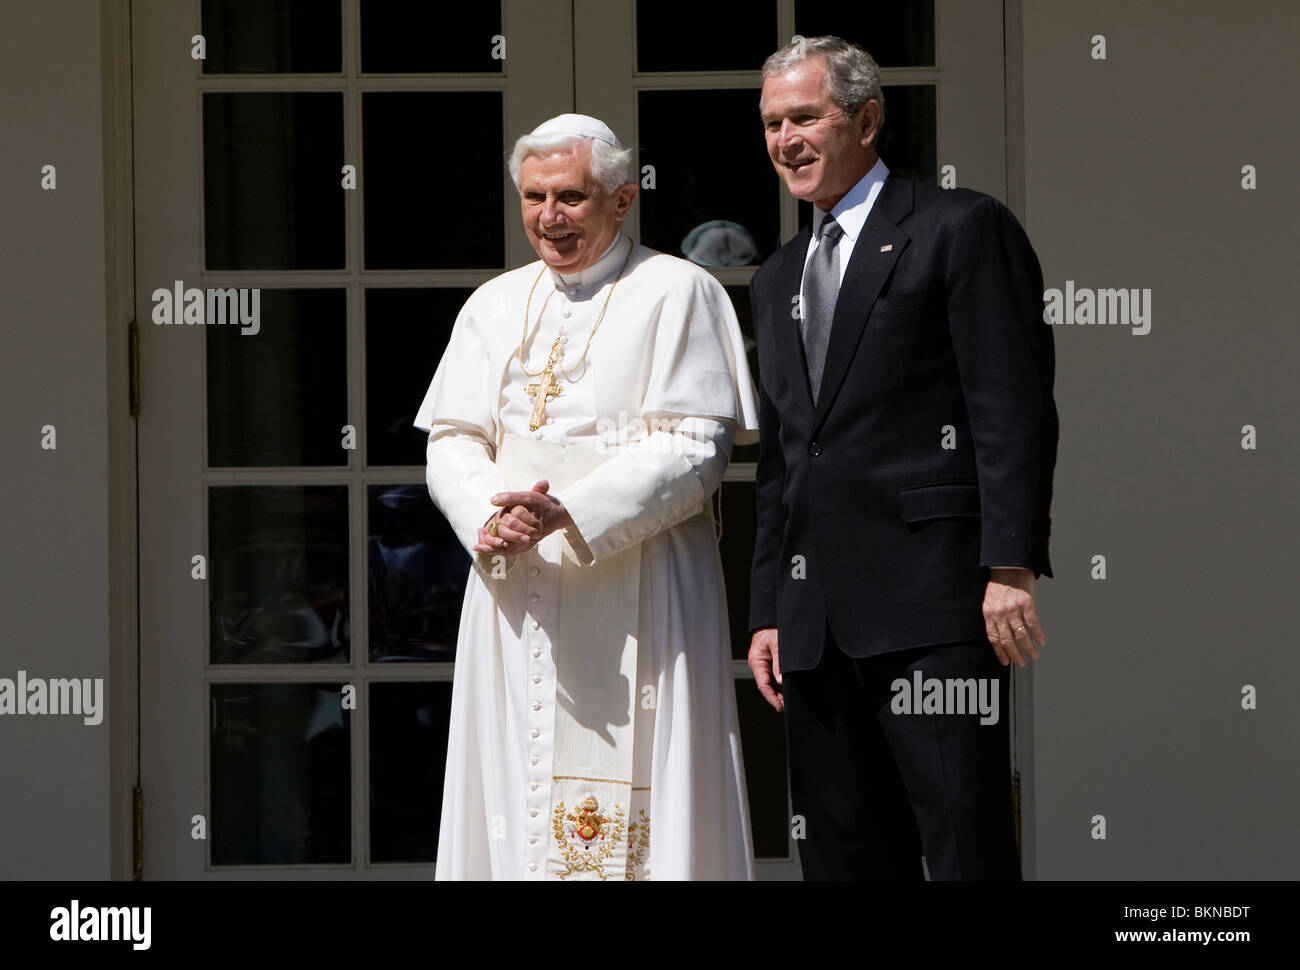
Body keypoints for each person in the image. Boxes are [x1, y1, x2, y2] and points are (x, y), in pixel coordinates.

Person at [414, 113, 759, 880]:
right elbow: (451, 439)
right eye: (534, 198)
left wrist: (571, 512)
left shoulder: (680, 292)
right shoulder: (494, 304)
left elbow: (696, 448)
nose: (550, 217)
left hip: (644, 585)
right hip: (516, 592)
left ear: (622, 198)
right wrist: (489, 515)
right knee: (511, 792)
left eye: (570, 196)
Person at [746, 37, 1059, 880]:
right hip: (813, 627)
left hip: (936, 605)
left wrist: (1009, 565)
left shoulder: (959, 228)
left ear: (868, 120)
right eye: (773, 123)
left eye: (805, 116)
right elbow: (785, 456)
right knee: (843, 858)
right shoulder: (776, 278)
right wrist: (769, 607)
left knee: (964, 845)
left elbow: (1012, 411)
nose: (787, 140)